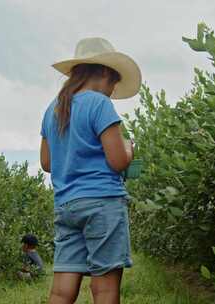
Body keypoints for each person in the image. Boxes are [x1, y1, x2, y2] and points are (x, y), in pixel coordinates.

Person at [40, 37, 141, 304]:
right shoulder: (99, 104)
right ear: (106, 73)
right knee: (105, 289)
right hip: (102, 203)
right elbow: (118, 161)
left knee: (61, 291)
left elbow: (47, 164)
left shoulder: (53, 109)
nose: (112, 90)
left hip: (66, 205)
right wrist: (130, 148)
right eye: (114, 83)